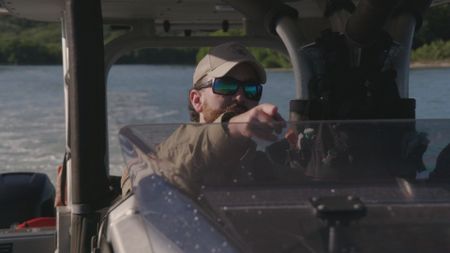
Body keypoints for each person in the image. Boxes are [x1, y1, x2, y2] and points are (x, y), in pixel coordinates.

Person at [121, 42, 287, 196]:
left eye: (251, 88)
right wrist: (234, 127)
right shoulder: (150, 160)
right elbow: (170, 167)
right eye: (226, 85)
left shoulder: (261, 167)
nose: (240, 97)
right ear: (197, 100)